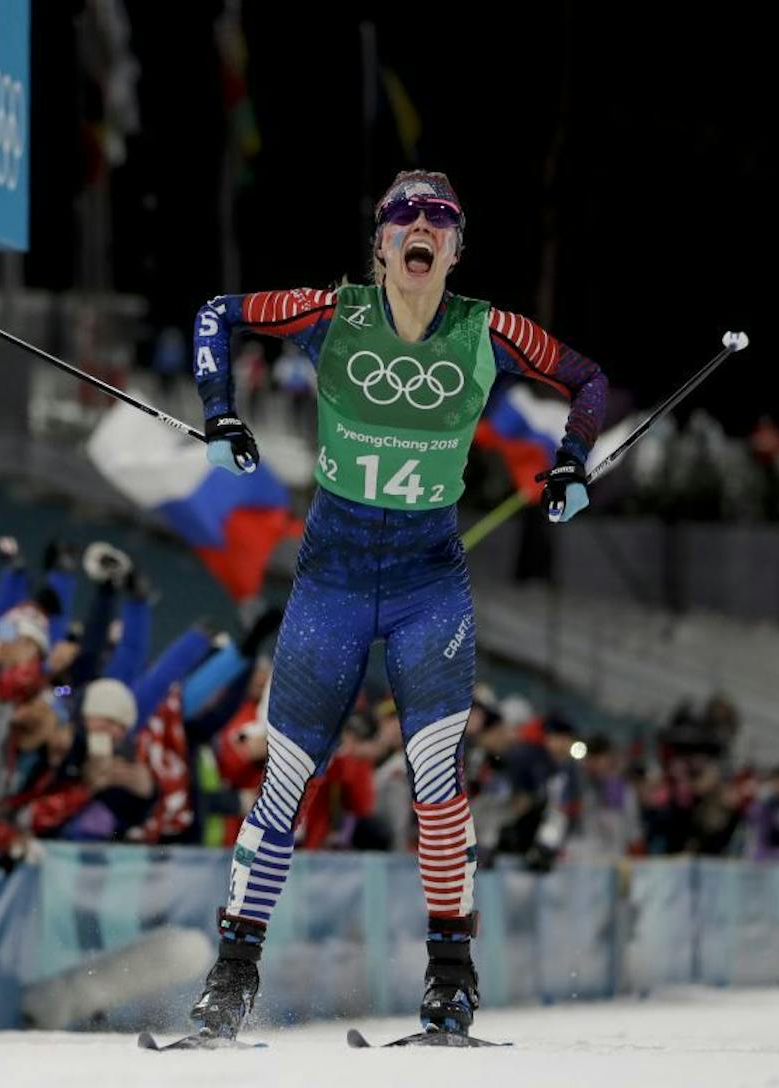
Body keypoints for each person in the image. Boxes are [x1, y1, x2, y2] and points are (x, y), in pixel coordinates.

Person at [182, 170, 609, 1043]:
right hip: (331, 579)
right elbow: (213, 316)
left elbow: (589, 380)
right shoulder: (329, 313)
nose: (421, 226)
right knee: (287, 778)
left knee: (438, 782)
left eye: (440, 218)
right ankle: (231, 979)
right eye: (403, 215)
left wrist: (571, 465)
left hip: (426, 584)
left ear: (455, 247)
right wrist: (221, 414)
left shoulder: (487, 328)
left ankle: (451, 985)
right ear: (380, 243)